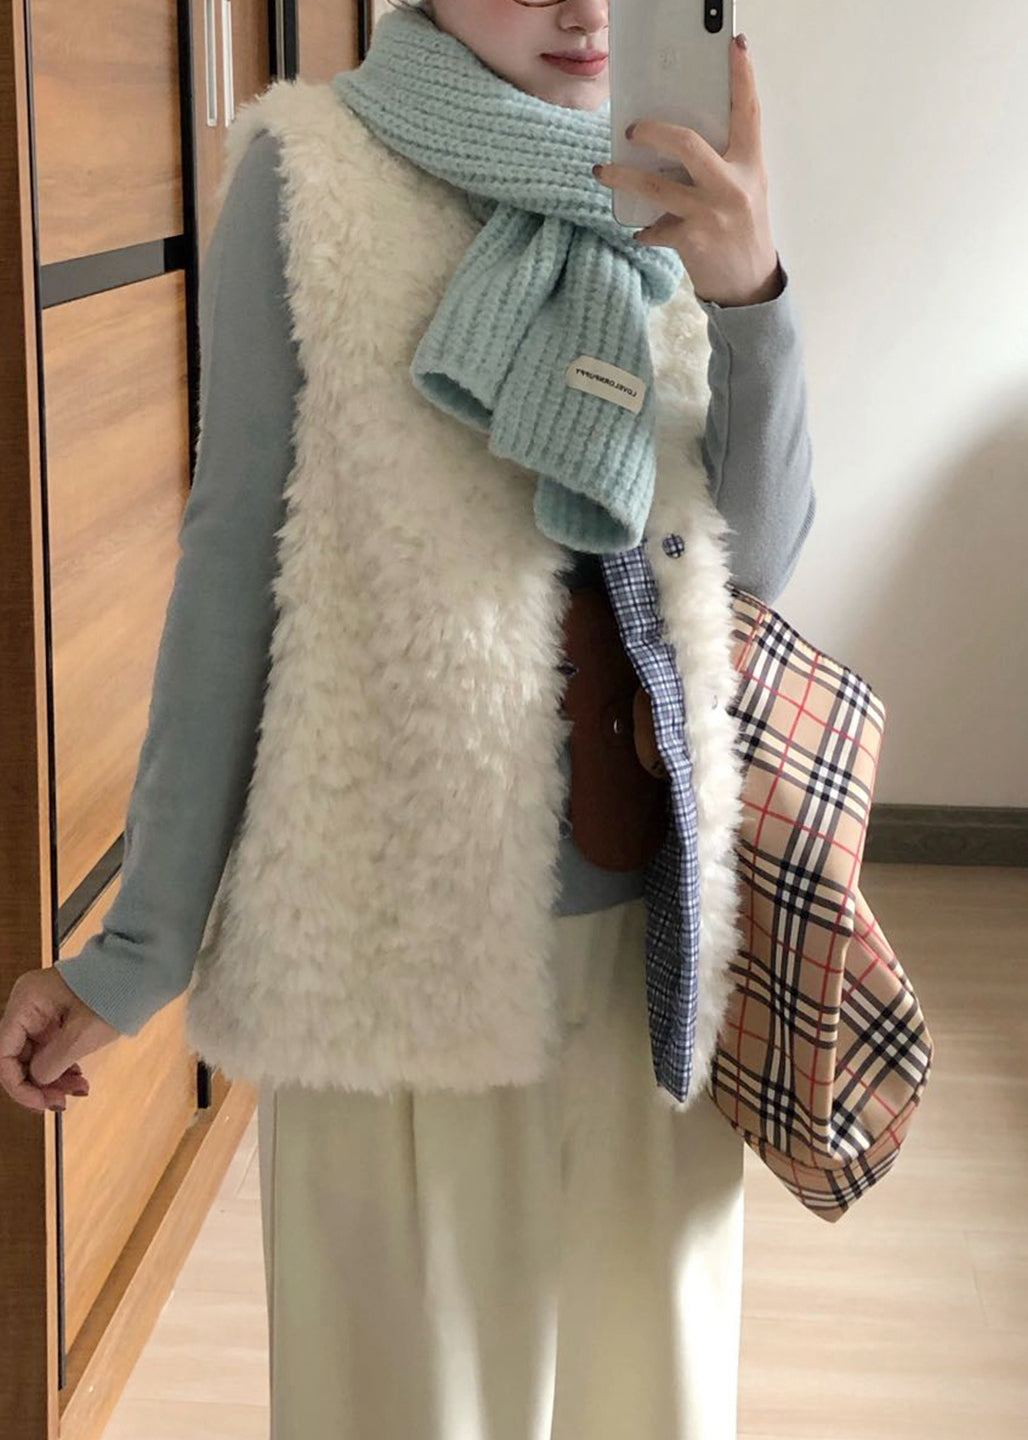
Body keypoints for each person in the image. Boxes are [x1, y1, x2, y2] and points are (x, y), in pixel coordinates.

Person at [0, 1, 816, 1434]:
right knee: (402, 1402)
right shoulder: (310, 173)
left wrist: (750, 291)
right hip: (388, 958)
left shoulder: (678, 172)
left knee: (653, 1394)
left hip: (653, 948)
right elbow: (232, 567)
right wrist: (137, 950)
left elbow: (757, 555)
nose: (583, 9)